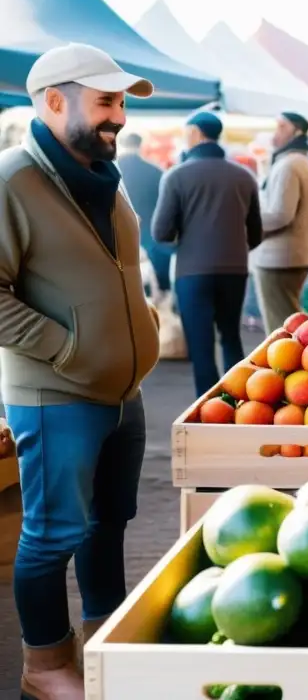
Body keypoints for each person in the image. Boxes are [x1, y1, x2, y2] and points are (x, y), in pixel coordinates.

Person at [0, 43, 161, 699]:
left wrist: (136, 330)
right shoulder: (14, 181)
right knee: (50, 535)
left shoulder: (103, 177)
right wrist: (70, 349)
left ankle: (103, 640)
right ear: (55, 100)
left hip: (123, 391)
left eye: (121, 101)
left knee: (109, 520)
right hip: (57, 393)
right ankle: (45, 666)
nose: (118, 116)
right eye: (106, 101)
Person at [152, 111, 262, 396]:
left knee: (200, 346)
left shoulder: (176, 176)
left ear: (195, 134)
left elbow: (160, 232)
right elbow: (256, 233)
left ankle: (209, 408)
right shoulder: (244, 176)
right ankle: (241, 401)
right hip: (235, 271)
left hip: (192, 271)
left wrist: (186, 241)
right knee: (231, 338)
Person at [250, 111, 308, 332]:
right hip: (290, 256)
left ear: (297, 131)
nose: (275, 133)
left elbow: (280, 214)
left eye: (282, 127)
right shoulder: (298, 162)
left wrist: (249, 221)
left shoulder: (289, 165)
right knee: (289, 326)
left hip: (278, 259)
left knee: (280, 331)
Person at [117, 132, 172, 292]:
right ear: (140, 146)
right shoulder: (155, 171)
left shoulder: (110, 169)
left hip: (119, 230)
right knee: (155, 281)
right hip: (150, 231)